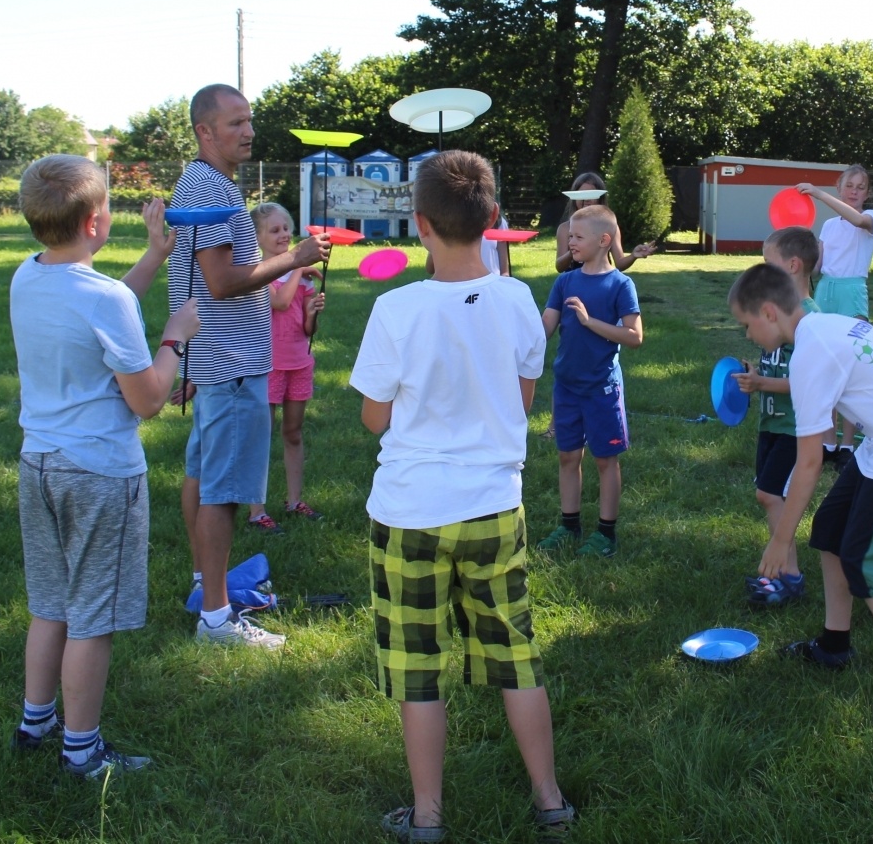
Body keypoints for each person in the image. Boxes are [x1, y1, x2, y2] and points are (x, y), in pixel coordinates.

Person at [349, 150, 572, 842]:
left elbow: (374, 417)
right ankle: (550, 799)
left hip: (409, 514)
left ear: (419, 224)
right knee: (516, 652)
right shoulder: (517, 303)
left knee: (419, 669)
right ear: (494, 219)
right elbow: (524, 398)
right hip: (493, 508)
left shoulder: (394, 308)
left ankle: (428, 817)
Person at [9, 156, 200, 778]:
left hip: (39, 464)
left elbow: (94, 309)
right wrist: (174, 338)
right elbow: (146, 399)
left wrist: (153, 257)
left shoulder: (28, 276)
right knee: (93, 616)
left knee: (52, 603)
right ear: (95, 222)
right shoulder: (105, 297)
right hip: (98, 474)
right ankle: (82, 749)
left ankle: (36, 721)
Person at [731, 263, 873, 730]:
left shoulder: (811, 353)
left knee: (868, 564)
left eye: (747, 324)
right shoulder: (823, 327)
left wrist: (779, 540)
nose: (748, 334)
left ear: (769, 312)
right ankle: (835, 644)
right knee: (831, 531)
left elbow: (809, 462)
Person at [168, 84, 328, 648]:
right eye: (234, 123)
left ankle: (203, 584)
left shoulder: (207, 186)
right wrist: (293, 258)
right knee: (223, 492)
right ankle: (216, 618)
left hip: (218, 362)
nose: (249, 132)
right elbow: (221, 282)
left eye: (249, 121)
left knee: (201, 475)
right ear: (204, 131)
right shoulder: (208, 189)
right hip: (232, 366)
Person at [538, 204, 643, 558]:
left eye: (578, 238)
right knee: (568, 457)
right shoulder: (565, 280)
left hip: (601, 388)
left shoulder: (620, 284)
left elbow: (634, 336)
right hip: (566, 385)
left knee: (605, 460)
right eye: (569, 237)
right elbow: (545, 329)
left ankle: (605, 533)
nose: (570, 244)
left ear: (603, 240)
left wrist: (589, 322)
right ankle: (568, 525)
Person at [730, 225, 821, 605]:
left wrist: (763, 385)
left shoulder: (809, 321)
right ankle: (783, 569)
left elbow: (810, 384)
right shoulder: (776, 319)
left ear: (794, 266)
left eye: (770, 264)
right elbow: (782, 370)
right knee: (767, 495)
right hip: (772, 423)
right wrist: (758, 375)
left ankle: (789, 574)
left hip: (795, 428)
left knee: (769, 495)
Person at [243, 202, 327, 533]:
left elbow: (308, 330)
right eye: (274, 230)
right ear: (258, 236)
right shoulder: (260, 271)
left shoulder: (301, 277)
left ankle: (294, 500)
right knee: (261, 434)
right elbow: (278, 303)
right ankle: (256, 510)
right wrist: (296, 267)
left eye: (286, 229)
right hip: (269, 364)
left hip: (298, 362)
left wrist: (313, 312)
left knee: (293, 432)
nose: (283, 235)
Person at [796, 164, 873, 466]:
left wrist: (817, 194)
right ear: (840, 188)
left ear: (867, 193)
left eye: (860, 187)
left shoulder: (870, 218)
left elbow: (856, 220)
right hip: (825, 292)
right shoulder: (829, 227)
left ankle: (847, 445)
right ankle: (828, 443)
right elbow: (816, 267)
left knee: (851, 368)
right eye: (849, 186)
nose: (854, 192)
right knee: (825, 367)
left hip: (852, 292)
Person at [554, 172, 656, 273]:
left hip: (601, 279)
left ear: (600, 198)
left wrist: (634, 255)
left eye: (592, 194)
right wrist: (574, 250)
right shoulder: (565, 228)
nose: (586, 199)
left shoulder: (610, 226)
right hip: (573, 284)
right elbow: (559, 267)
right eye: (582, 194)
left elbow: (620, 264)